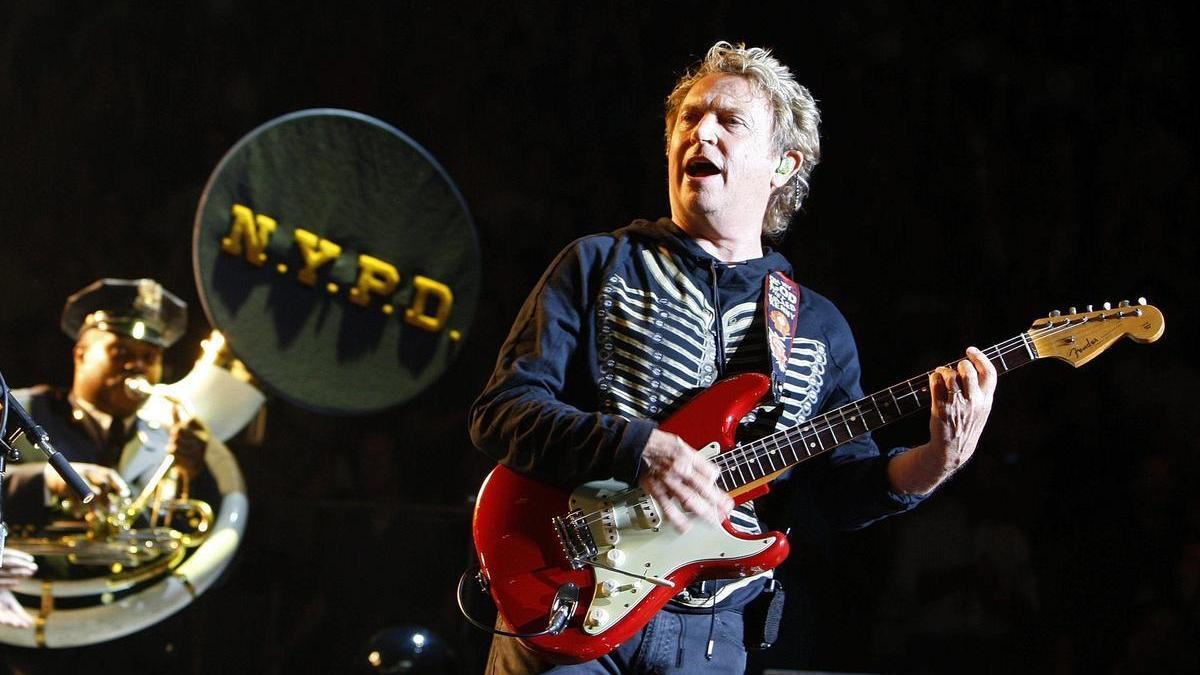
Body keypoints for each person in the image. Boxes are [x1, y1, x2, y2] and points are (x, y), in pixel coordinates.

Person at [469, 41, 997, 674]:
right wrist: (639, 448)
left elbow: (833, 493)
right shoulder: (597, 264)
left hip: (716, 634)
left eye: (730, 121)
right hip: (570, 597)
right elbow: (501, 414)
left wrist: (933, 464)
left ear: (782, 165)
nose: (702, 133)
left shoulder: (817, 325)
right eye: (689, 119)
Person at [0, 278, 212, 667]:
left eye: (151, 356)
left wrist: (188, 475)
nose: (139, 367)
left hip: (133, 635)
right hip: (23, 634)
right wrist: (46, 482)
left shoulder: (167, 435)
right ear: (80, 354)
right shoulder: (19, 410)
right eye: (121, 351)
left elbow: (177, 534)